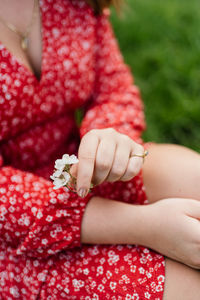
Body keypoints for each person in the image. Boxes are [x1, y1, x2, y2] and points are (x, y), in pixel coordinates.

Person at [0, 0, 200, 299]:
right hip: (8, 233)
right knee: (186, 287)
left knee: (191, 178)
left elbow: (113, 91)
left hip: (74, 171)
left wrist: (107, 140)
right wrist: (142, 226)